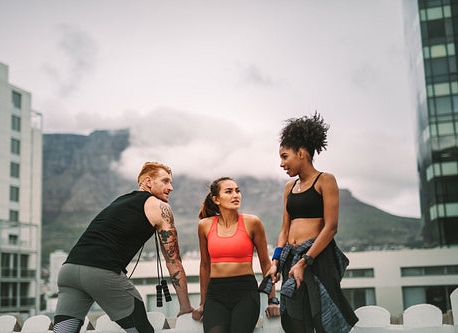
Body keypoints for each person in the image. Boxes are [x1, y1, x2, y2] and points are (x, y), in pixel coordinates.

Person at [53, 162, 194, 333]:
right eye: (165, 181)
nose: (171, 187)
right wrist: (185, 306)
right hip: (100, 272)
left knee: (63, 331)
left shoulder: (120, 201)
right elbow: (173, 261)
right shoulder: (160, 207)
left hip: (69, 272)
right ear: (148, 181)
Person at [265, 114, 358, 333]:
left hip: (317, 260)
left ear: (301, 153)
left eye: (285, 156)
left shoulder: (325, 180)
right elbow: (284, 229)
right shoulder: (289, 187)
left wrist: (305, 261)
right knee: (295, 320)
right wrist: (276, 261)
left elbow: (331, 227)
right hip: (291, 260)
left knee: (322, 319)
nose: (281, 163)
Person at [192, 177, 280, 333]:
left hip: (245, 292)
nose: (236, 195)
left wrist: (272, 300)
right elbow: (205, 265)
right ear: (216, 199)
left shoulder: (253, 222)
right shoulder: (204, 225)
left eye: (237, 191)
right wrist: (203, 303)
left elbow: (266, 263)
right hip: (215, 293)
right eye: (229, 191)